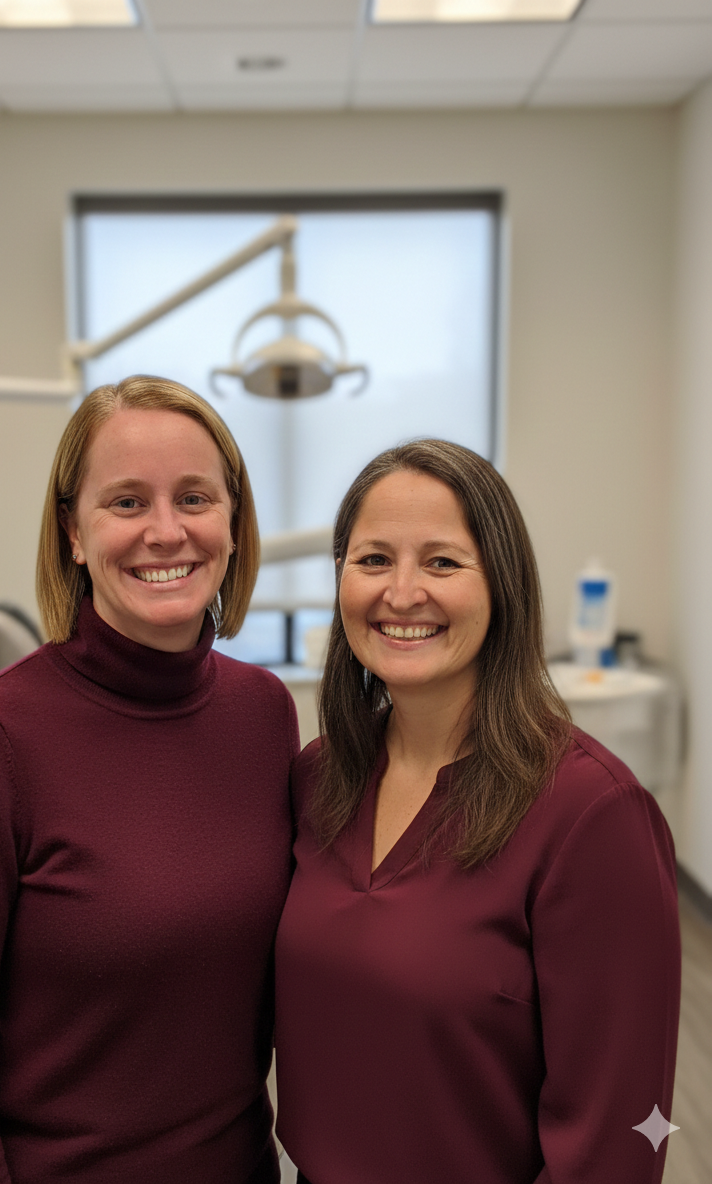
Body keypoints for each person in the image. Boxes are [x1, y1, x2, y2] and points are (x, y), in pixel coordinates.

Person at [0, 375, 300, 1184]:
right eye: (125, 503)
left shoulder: (265, 715)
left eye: (194, 498)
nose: (165, 531)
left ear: (234, 524)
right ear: (72, 531)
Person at [274, 439, 680, 1184]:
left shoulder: (592, 815)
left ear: (503, 584)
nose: (401, 593)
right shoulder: (319, 778)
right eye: (372, 560)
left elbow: (614, 1142)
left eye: (442, 561)